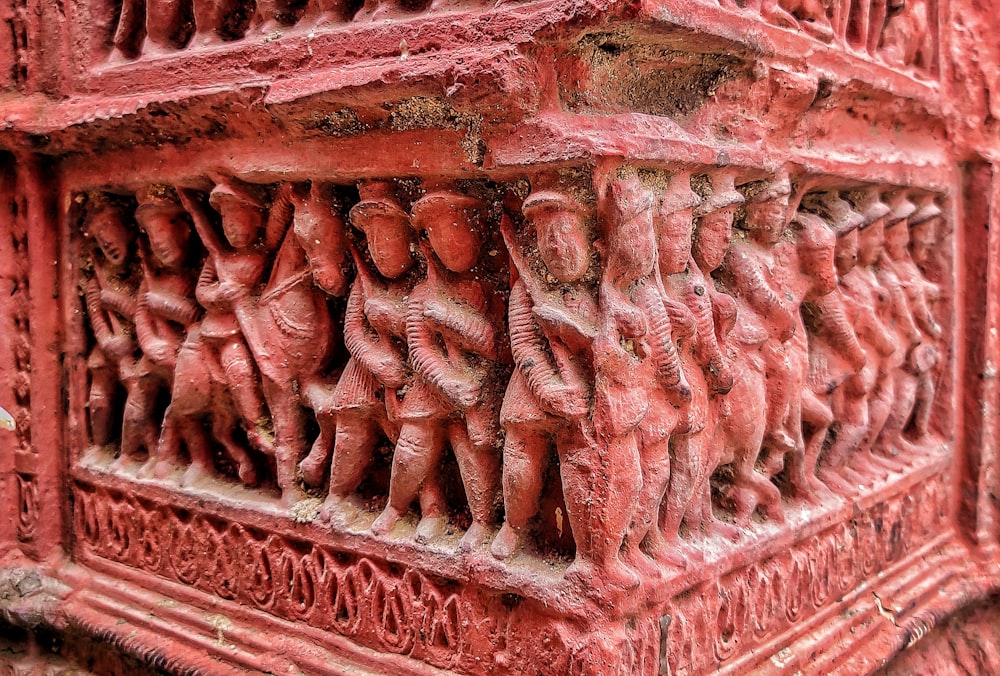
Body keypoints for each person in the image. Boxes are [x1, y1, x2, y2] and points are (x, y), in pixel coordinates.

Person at [372, 186, 507, 551]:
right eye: (441, 235)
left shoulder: (489, 289)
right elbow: (418, 349)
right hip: (434, 386)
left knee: (476, 452)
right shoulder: (420, 294)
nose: (452, 244)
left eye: (457, 229)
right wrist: (446, 382)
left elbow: (498, 346)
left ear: (478, 230)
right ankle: (400, 507)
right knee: (413, 446)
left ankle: (481, 521)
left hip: (479, 387)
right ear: (428, 243)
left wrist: (451, 320)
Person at [491, 189, 598, 563]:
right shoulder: (527, 290)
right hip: (534, 388)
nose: (555, 246)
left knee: (582, 468)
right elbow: (522, 343)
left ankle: (590, 549)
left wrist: (576, 334)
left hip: (588, 394)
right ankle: (514, 525)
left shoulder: (602, 290)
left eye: (564, 234)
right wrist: (546, 386)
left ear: (590, 238)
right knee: (520, 454)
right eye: (544, 237)